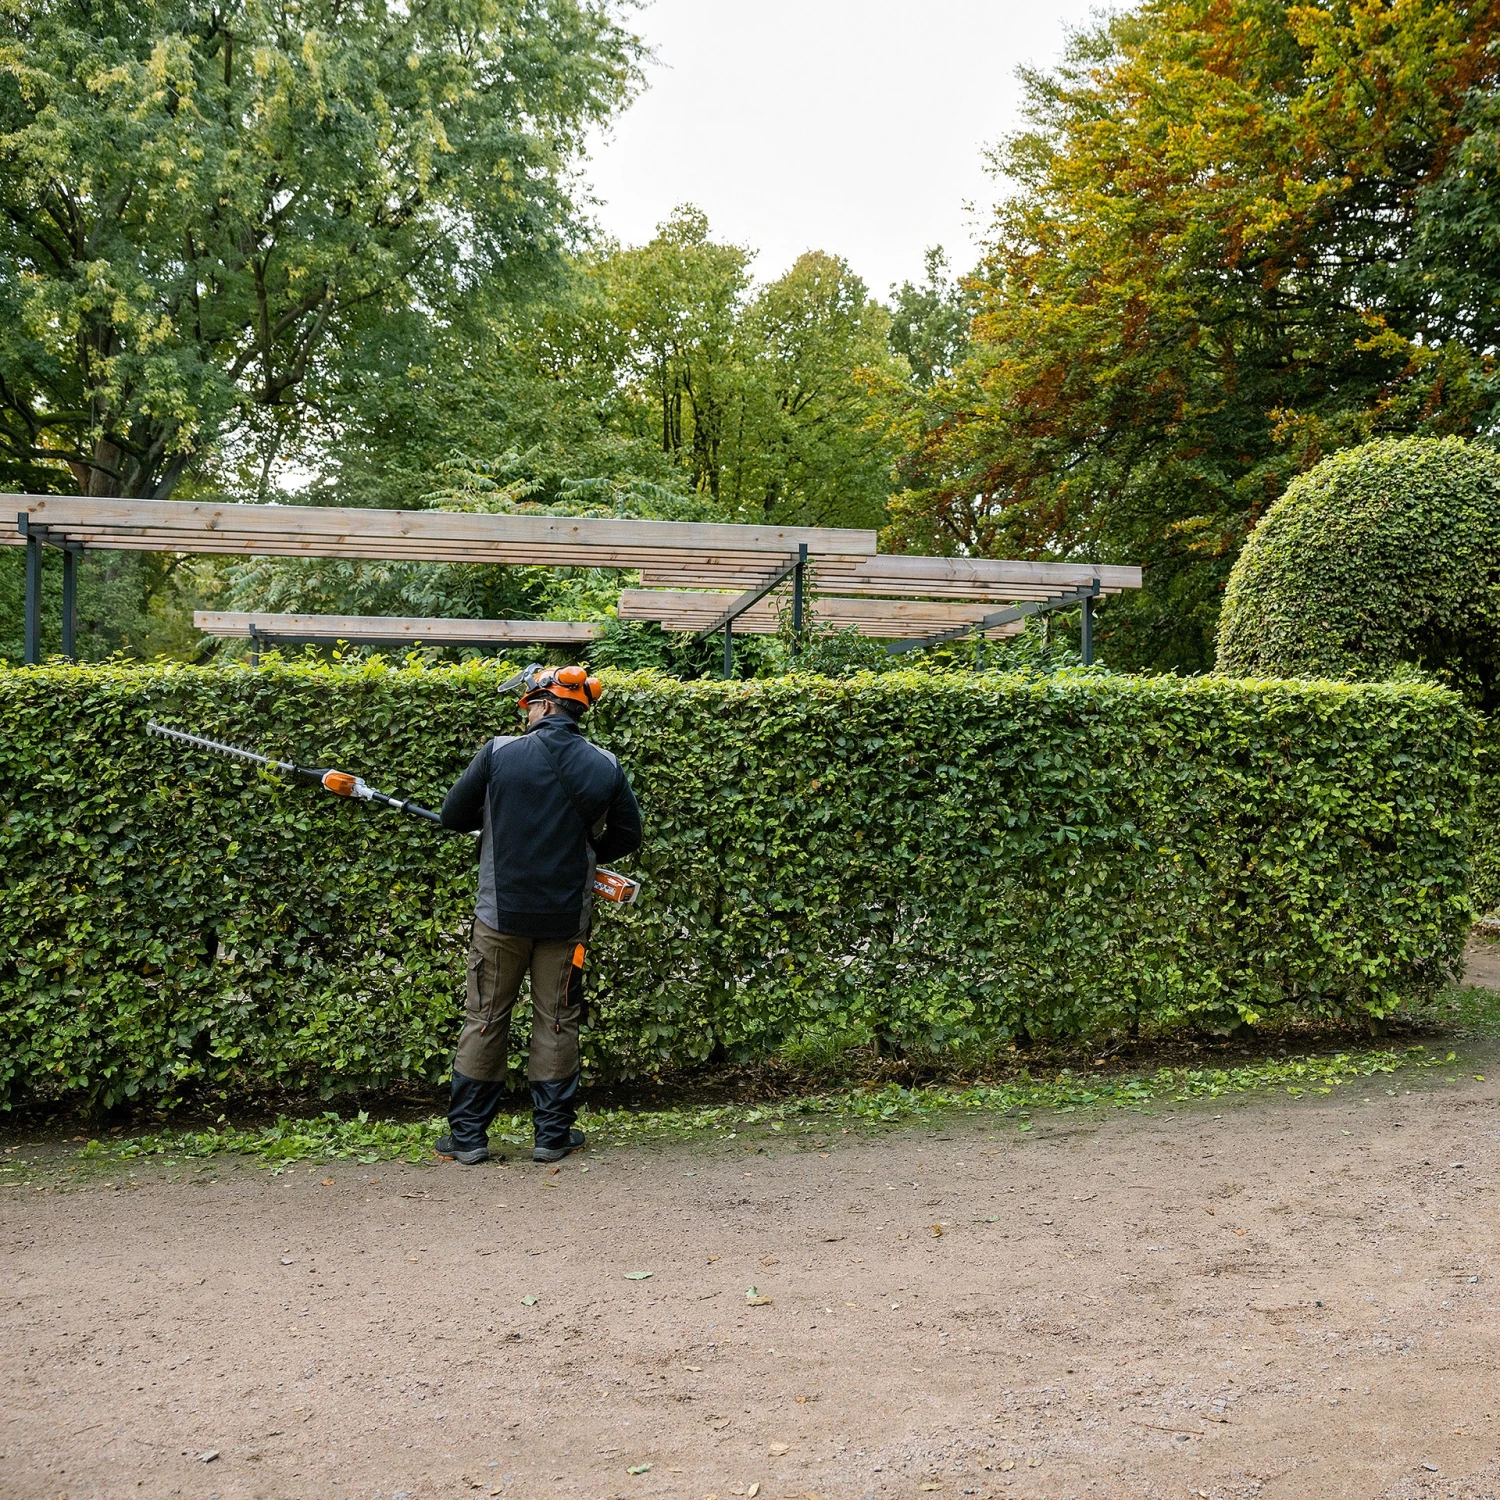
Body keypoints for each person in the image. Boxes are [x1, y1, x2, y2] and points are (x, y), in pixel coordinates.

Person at [433, 664, 642, 1165]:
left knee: (485, 1015)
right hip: (567, 917)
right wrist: (586, 852)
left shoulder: (499, 753)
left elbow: (451, 817)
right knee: (557, 1019)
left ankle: (468, 1139)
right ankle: (551, 1136)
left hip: (499, 915)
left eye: (528, 705)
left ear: (546, 704)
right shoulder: (605, 764)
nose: (524, 714)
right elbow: (627, 836)